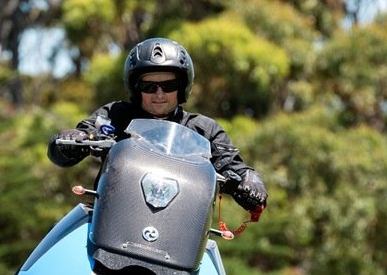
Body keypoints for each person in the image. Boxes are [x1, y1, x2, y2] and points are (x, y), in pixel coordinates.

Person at [48, 37, 268, 213]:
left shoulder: (205, 129)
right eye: (149, 86)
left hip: (181, 235)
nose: (159, 94)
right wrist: (73, 139)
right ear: (135, 88)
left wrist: (249, 181)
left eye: (169, 85)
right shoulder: (116, 115)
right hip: (111, 220)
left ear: (182, 87)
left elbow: (234, 166)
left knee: (213, 266)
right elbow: (82, 136)